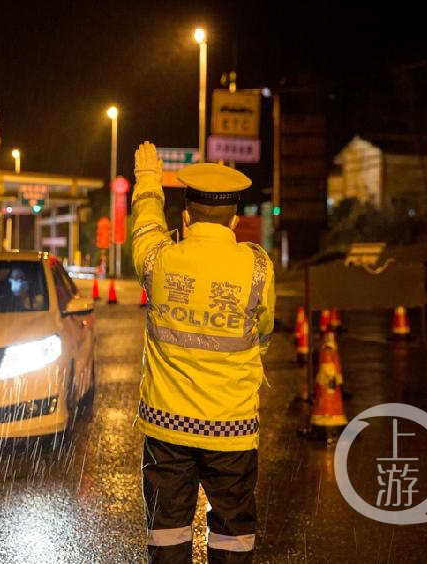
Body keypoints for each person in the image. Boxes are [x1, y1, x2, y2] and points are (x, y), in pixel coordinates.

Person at [131, 141, 275, 564]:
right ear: (234, 218)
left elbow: (145, 228)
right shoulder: (258, 268)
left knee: (168, 534)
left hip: (167, 429)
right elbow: (263, 334)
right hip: (232, 429)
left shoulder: (159, 261)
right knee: (233, 536)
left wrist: (149, 182)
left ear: (187, 216)